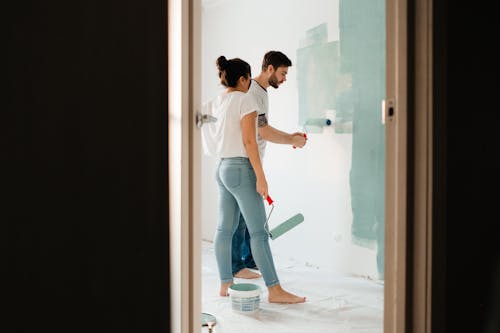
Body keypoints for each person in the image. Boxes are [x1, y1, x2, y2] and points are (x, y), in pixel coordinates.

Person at [202, 55, 306, 303]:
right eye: (248, 80)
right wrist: (261, 177)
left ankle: (225, 283)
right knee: (259, 233)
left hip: (222, 168)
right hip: (240, 168)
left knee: (223, 229)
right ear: (243, 79)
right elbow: (250, 142)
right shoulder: (246, 99)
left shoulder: (218, 100)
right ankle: (275, 290)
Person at [231, 51, 308, 278]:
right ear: (270, 68)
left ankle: (249, 260)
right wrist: (292, 140)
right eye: (283, 73)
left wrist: (290, 136)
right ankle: (237, 266)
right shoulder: (254, 93)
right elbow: (263, 131)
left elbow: (263, 129)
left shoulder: (260, 92)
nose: (284, 79)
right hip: (246, 163)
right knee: (241, 218)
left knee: (246, 217)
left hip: (251, 162)